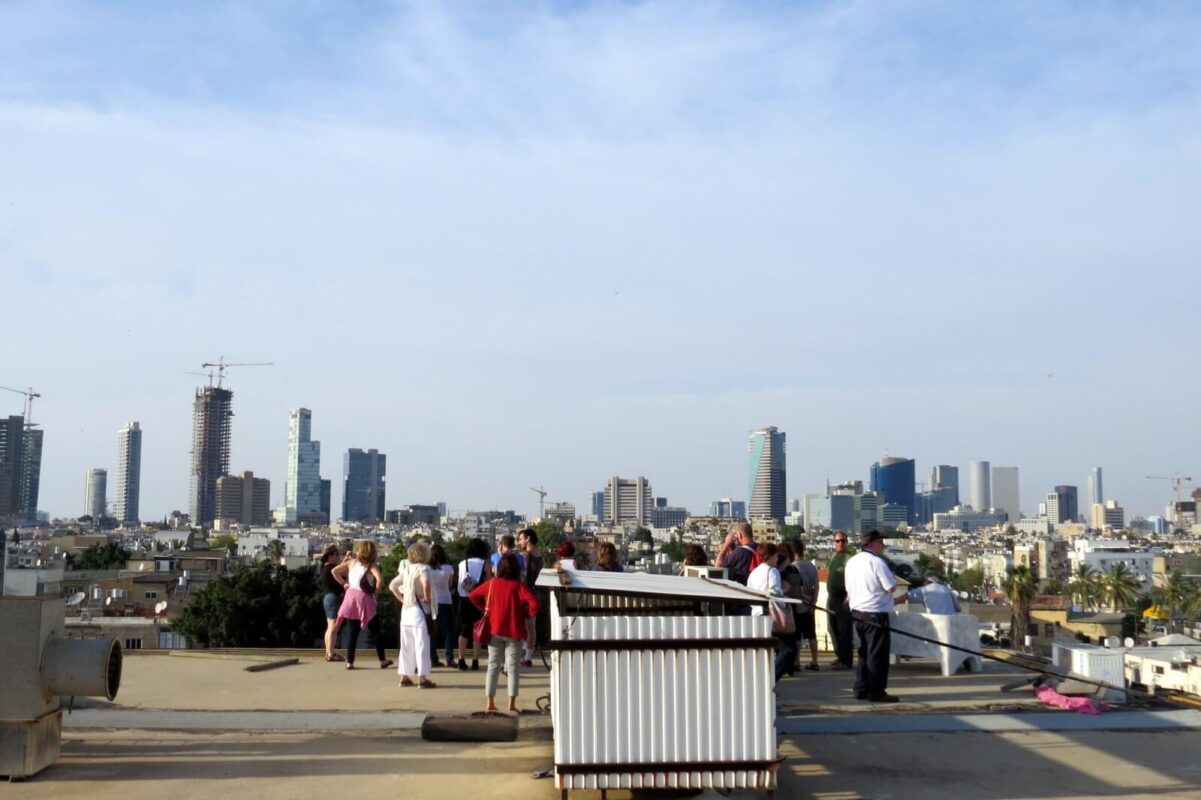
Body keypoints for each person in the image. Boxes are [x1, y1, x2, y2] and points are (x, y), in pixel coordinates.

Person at [469, 552, 539, 714]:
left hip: (494, 629)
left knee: (493, 666)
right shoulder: (519, 586)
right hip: (515, 631)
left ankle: (490, 701)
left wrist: (486, 609)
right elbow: (534, 604)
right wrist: (526, 614)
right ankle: (511, 703)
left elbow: (473, 596)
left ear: (499, 568)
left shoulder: (492, 584)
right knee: (513, 667)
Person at [846, 530, 907, 703]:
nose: (883, 546)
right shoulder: (877, 562)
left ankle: (861, 687)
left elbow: (849, 589)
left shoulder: (852, 562)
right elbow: (890, 587)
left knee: (865, 652)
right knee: (877, 654)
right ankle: (876, 691)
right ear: (871, 543)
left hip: (857, 612)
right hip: (875, 612)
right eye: (880, 542)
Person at [332, 540, 394, 671]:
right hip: (365, 598)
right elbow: (380, 580)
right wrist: (375, 594)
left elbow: (334, 571)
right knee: (375, 630)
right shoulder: (371, 566)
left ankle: (350, 661)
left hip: (351, 597)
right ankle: (382, 660)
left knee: (352, 631)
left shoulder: (351, 563)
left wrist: (344, 584)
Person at [389, 541, 436, 689]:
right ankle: (422, 678)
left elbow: (393, 585)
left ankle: (404, 677)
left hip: (406, 611)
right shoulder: (424, 568)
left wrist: (402, 599)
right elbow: (426, 584)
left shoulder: (407, 569)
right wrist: (427, 598)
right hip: (419, 612)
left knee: (406, 646)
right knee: (422, 645)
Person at [747, 542, 795, 682]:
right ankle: (769, 681)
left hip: (757, 614)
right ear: (771, 556)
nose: (777, 559)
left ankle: (767, 680)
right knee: (787, 650)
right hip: (770, 615)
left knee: (768, 650)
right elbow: (775, 593)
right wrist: (784, 592)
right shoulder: (772, 571)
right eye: (776, 556)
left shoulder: (754, 573)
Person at [779, 541, 820, 673]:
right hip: (809, 605)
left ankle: (797, 662)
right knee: (811, 634)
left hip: (796, 606)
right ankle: (815, 661)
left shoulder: (792, 568)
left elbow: (795, 590)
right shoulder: (811, 566)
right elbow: (816, 586)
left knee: (797, 636)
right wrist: (813, 602)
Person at [456, 537, 492, 671]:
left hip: (464, 598)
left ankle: (461, 659)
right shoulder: (485, 564)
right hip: (479, 599)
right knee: (478, 629)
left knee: (464, 630)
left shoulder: (462, 564)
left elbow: (460, 582)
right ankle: (475, 660)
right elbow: (489, 582)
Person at [825, 531, 855, 670]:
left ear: (847, 542)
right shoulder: (833, 557)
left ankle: (846, 660)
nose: (841, 543)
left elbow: (854, 580)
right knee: (832, 628)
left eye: (843, 541)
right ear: (834, 543)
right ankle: (840, 655)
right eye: (838, 541)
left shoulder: (850, 559)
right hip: (832, 596)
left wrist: (849, 597)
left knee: (844, 629)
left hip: (843, 597)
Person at [517, 527, 545, 668]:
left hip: (523, 596)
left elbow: (522, 576)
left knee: (519, 626)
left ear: (528, 539)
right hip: (536, 595)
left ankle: (519, 654)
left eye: (521, 539)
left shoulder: (524, 556)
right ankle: (528, 656)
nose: (519, 542)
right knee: (531, 628)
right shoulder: (540, 556)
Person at [427, 543, 456, 667]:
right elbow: (450, 585)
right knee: (449, 630)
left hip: (432, 602)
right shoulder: (448, 569)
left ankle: (433, 658)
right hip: (446, 600)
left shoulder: (427, 570)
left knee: (433, 631)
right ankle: (449, 657)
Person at [317, 544, 345, 662]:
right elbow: (343, 570)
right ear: (330, 556)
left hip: (327, 598)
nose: (338, 557)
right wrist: (347, 560)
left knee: (329, 627)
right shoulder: (331, 568)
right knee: (333, 627)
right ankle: (331, 653)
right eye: (336, 554)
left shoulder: (323, 568)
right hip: (333, 597)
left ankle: (328, 652)